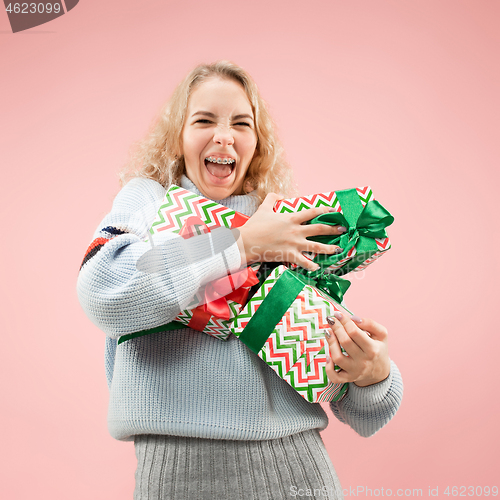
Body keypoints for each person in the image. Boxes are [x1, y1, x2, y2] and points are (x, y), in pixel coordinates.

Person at [77, 61, 403, 500]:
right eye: (204, 120)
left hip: (296, 471)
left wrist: (373, 373)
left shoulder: (281, 222)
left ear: (256, 143)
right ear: (178, 137)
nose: (224, 135)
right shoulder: (148, 203)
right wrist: (242, 246)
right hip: (174, 476)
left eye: (241, 123)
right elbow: (105, 289)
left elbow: (365, 408)